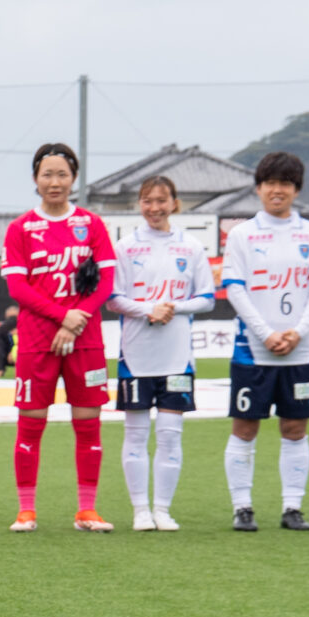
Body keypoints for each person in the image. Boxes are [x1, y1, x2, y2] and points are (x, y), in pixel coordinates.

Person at [0, 144, 116, 532]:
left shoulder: (92, 224)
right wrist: (63, 316)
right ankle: (26, 511)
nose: (55, 182)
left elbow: (106, 282)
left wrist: (74, 320)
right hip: (37, 340)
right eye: (47, 174)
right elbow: (18, 287)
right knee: (31, 422)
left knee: (88, 422)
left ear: (74, 179)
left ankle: (87, 511)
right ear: (35, 179)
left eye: (62, 174)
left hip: (85, 339)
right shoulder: (20, 228)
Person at [220, 151, 309, 531]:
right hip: (252, 351)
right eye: (270, 183)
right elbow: (234, 288)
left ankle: (292, 507)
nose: (277, 190)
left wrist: (298, 331)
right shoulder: (242, 234)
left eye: (285, 183)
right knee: (245, 428)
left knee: (295, 429)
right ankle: (242, 507)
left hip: (299, 350)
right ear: (259, 188)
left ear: (296, 189)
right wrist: (265, 333)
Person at [107, 174, 214, 531]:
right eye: (147, 201)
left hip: (177, 357)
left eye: (161, 200)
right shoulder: (125, 247)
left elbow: (207, 298)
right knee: (136, 435)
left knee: (170, 434)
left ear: (174, 204)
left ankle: (163, 510)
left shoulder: (191, 246)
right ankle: (140, 510)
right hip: (135, 356)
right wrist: (148, 310)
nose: (154, 208)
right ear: (139, 204)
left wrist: (174, 308)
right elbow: (113, 298)